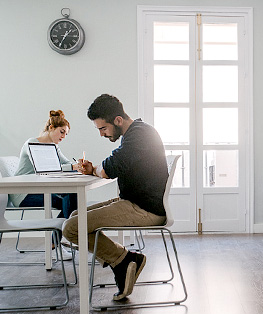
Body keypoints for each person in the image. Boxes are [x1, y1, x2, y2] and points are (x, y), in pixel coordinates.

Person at [63, 94, 169, 301]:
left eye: (103, 128)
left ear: (118, 120)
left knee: (71, 227)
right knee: (76, 216)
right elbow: (111, 165)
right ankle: (124, 261)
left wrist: (96, 169)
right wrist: (95, 169)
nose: (102, 134)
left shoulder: (139, 135)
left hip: (145, 209)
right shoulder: (137, 133)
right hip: (136, 202)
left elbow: (111, 167)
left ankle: (124, 261)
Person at [10, 110, 79, 260]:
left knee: (72, 196)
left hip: (41, 191)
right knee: (70, 200)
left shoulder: (54, 147)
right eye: (62, 132)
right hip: (23, 194)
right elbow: (45, 167)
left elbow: (66, 163)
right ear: (51, 128)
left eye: (66, 134)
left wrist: (77, 165)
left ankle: (55, 243)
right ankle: (59, 242)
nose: (63, 137)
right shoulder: (32, 143)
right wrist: (71, 167)